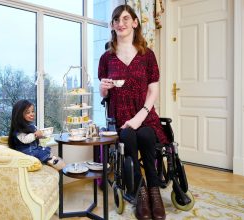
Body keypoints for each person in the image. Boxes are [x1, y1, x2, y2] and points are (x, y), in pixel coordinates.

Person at [98, 5, 167, 220]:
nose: (121, 23)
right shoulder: (106, 57)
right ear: (112, 25)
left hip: (144, 114)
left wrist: (139, 118)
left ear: (135, 23)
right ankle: (141, 191)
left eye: (126, 18)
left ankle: (154, 191)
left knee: (146, 135)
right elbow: (103, 91)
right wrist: (105, 87)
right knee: (128, 136)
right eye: (116, 19)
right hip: (120, 115)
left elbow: (153, 89)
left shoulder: (148, 55)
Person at [8, 99, 65, 170]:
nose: (32, 114)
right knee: (41, 152)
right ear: (19, 115)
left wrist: (43, 135)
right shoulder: (18, 129)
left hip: (34, 148)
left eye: (32, 111)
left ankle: (51, 159)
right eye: (28, 112)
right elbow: (25, 139)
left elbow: (37, 135)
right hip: (27, 152)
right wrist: (35, 135)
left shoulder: (32, 126)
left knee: (44, 150)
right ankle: (50, 160)